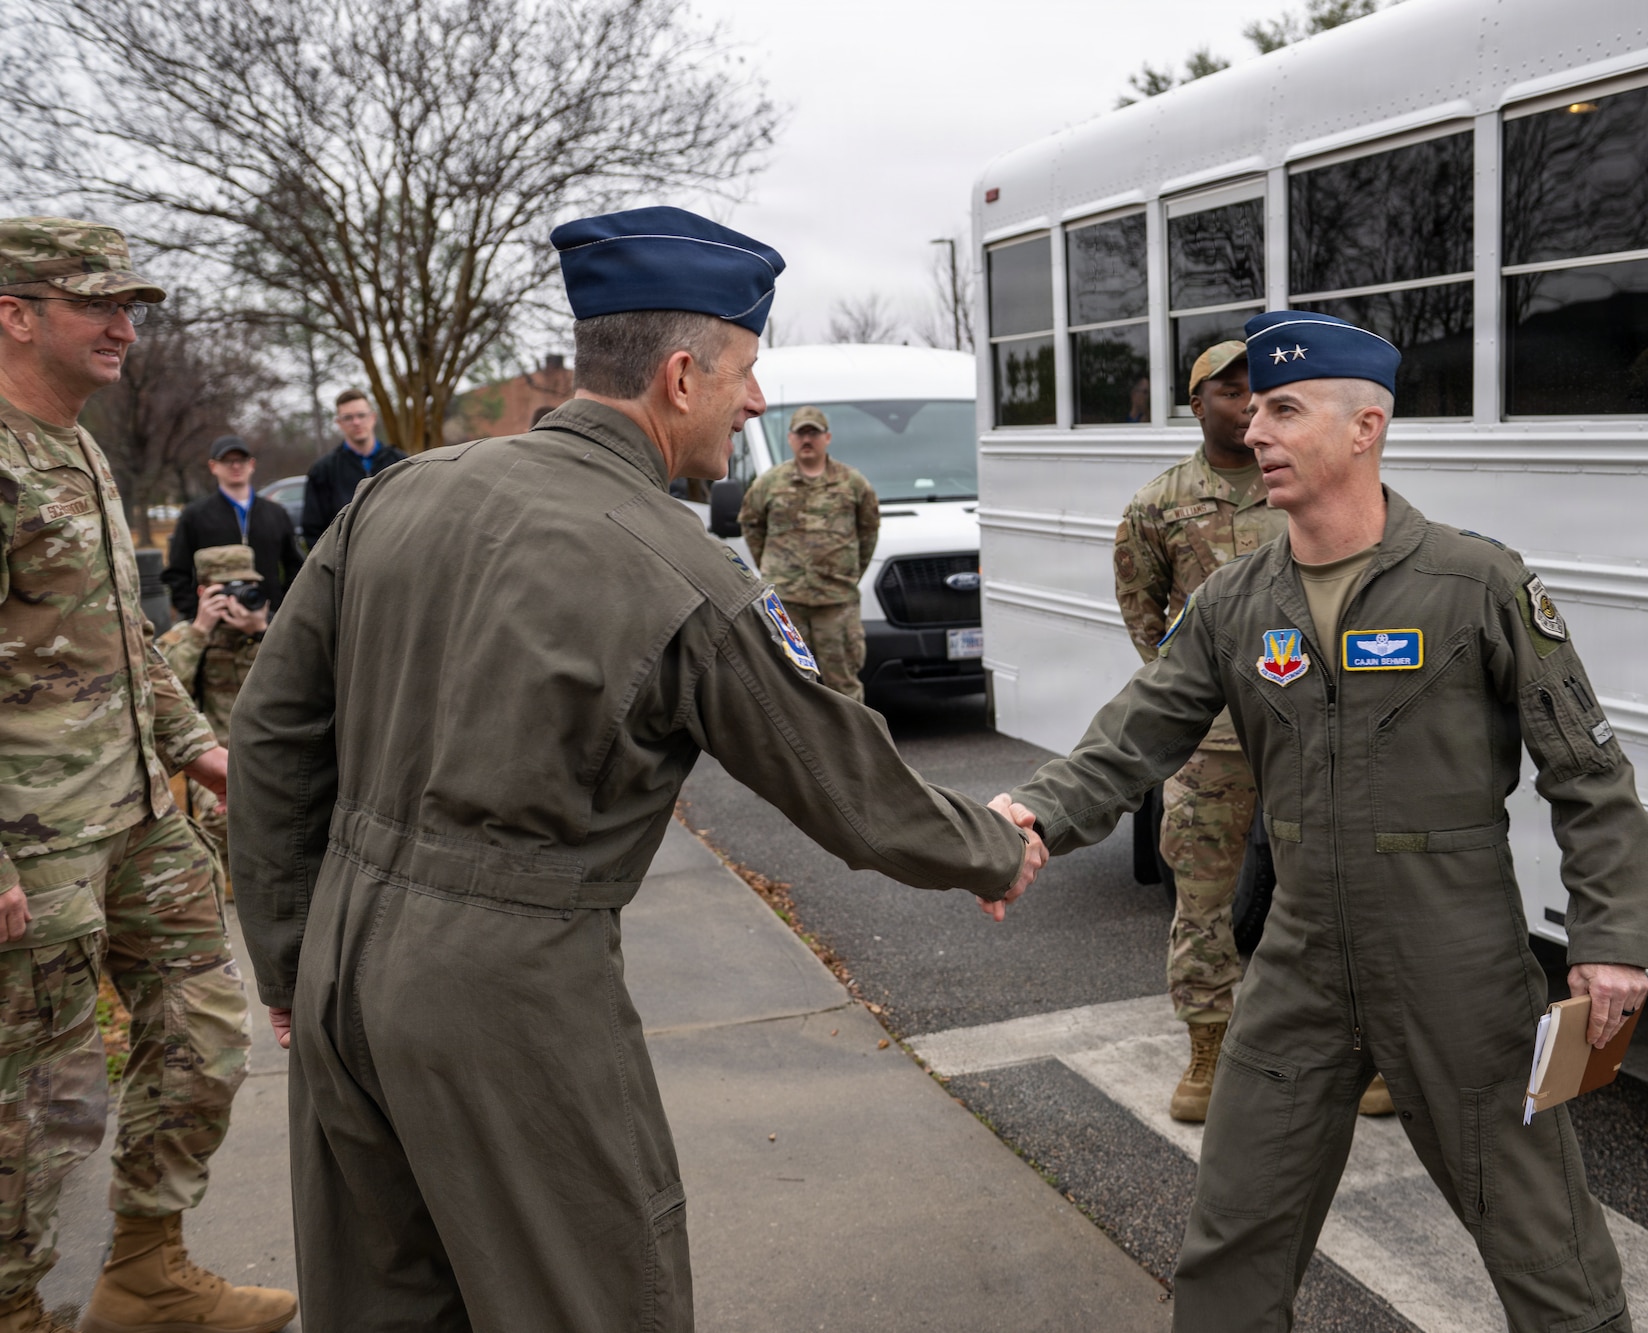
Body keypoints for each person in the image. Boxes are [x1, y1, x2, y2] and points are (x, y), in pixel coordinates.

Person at [227, 205, 1045, 1333]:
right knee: (595, 1296)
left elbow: (272, 739)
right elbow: (842, 782)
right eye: (744, 371)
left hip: (339, 968)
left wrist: (287, 958)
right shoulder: (683, 570)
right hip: (507, 994)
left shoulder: (394, 496)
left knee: (389, 1304)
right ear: (677, 375)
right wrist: (992, 844)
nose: (756, 402)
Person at [991, 310, 1648, 1333]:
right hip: (1298, 958)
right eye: (1254, 408)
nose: (1255, 428)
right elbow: (1135, 733)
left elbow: (1589, 774)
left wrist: (1608, 940)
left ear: (1365, 428)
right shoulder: (1233, 602)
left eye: (1284, 409)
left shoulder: (1475, 584)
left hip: (1456, 963)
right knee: (1232, 1238)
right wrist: (1034, 812)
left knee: (1544, 1248)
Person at [0, 217, 295, 1333]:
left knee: (205, 1027)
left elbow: (121, 644)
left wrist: (204, 754)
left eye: (130, 305)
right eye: (98, 304)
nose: (126, 325)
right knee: (49, 1103)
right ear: (16, 314)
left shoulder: (77, 446)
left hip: (134, 818)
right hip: (37, 850)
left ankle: (144, 1269)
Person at [1116, 340, 1293, 1124]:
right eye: (1231, 390)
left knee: (1334, 895)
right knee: (1203, 899)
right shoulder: (1158, 504)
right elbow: (1143, 612)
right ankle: (1208, 1048)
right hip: (1212, 736)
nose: (1250, 401)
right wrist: (1193, 692)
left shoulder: (1303, 482)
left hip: (1304, 727)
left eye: (1261, 389)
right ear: (1197, 403)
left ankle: (1355, 1048)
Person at [737, 405, 880, 702]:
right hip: (788, 604)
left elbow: (868, 531)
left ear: (826, 438)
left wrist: (846, 573)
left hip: (836, 604)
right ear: (790, 439)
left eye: (813, 433)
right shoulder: (769, 483)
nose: (807, 439)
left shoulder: (853, 483)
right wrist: (774, 568)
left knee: (844, 686)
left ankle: (849, 748)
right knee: (788, 684)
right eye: (801, 433)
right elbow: (751, 525)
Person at [157, 545, 268, 876]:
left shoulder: (275, 632)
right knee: (226, 815)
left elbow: (304, 684)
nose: (238, 598)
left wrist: (260, 633)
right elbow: (160, 694)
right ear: (204, 591)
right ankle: (228, 876)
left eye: (246, 587)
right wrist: (199, 632)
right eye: (226, 590)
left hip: (268, 754)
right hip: (212, 757)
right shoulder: (182, 638)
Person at [163, 435, 304, 618]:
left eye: (241, 460)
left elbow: (296, 566)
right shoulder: (195, 515)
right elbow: (177, 573)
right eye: (227, 461)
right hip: (216, 624)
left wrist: (281, 613)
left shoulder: (276, 513)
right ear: (213, 466)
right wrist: (195, 613)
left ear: (251, 464)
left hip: (268, 622)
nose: (235, 466)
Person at [298, 388, 406, 546]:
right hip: (347, 565)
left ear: (373, 417)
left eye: (361, 415)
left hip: (396, 556)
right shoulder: (323, 470)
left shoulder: (401, 463)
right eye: (348, 417)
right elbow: (313, 531)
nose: (356, 422)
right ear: (339, 423)